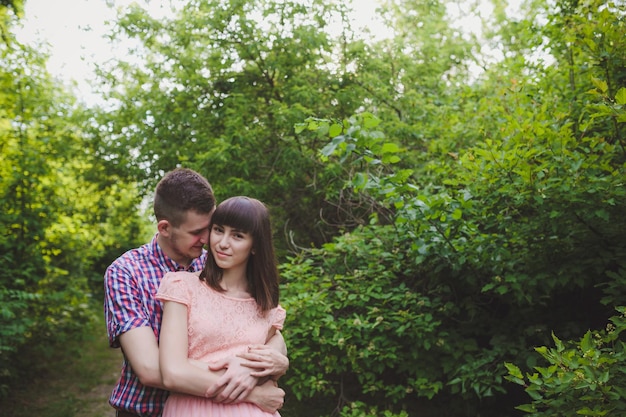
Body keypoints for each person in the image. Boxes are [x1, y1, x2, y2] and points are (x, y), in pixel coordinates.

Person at [104, 169, 288, 417]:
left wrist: (273, 360)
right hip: (145, 410)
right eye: (196, 232)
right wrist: (249, 391)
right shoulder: (126, 272)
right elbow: (148, 369)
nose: (207, 239)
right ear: (165, 228)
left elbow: (263, 328)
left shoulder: (218, 263)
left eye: (210, 227)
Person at [156, 196, 286, 416]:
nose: (223, 243)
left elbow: (274, 365)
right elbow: (173, 372)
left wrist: (277, 363)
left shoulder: (267, 306)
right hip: (194, 409)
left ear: (255, 245)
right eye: (218, 230)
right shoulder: (182, 286)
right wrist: (244, 376)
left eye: (237, 235)